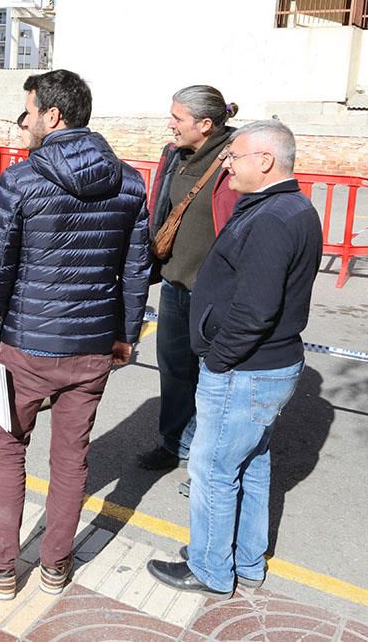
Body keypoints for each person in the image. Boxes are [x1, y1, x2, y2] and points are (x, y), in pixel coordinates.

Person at [0, 70, 151, 600]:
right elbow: (135, 269)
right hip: (92, 348)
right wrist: (126, 333)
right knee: (72, 459)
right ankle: (56, 566)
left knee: (9, 451)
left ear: (53, 116)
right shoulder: (129, 181)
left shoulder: (21, 180)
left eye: (30, 110)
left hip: (26, 347)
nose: (26, 120)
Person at [147, 120, 322, 599]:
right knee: (252, 465)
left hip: (246, 369)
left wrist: (219, 359)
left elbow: (255, 308)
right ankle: (244, 560)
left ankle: (210, 568)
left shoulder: (274, 216)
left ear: (265, 161)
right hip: (264, 367)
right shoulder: (286, 207)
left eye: (234, 157)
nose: (225, 164)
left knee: (214, 471)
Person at [137, 86, 240, 472]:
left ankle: (207, 456)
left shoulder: (235, 157)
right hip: (175, 283)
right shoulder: (174, 154)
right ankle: (174, 442)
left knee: (213, 378)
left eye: (178, 118)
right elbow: (159, 207)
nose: (171, 124)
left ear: (206, 124)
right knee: (174, 368)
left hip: (214, 293)